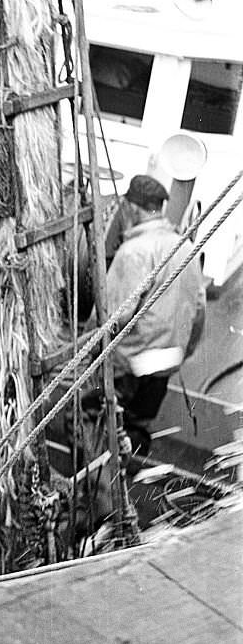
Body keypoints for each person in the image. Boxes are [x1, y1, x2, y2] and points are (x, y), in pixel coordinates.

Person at [105, 174, 206, 455]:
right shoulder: (186, 248)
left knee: (97, 423)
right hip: (166, 362)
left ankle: (96, 492)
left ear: (132, 209)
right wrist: (183, 352)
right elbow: (199, 311)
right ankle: (127, 482)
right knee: (136, 431)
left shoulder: (133, 252)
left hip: (130, 366)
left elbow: (118, 317)